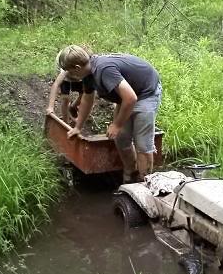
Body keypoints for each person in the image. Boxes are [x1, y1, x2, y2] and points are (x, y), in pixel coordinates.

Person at [57, 44, 162, 183]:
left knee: (142, 143)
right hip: (125, 97)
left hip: (145, 93)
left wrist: (117, 125)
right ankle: (130, 176)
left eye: (68, 71)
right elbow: (87, 99)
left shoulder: (104, 69)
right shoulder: (88, 74)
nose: (68, 75)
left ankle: (144, 183)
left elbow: (131, 99)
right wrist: (78, 127)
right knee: (121, 138)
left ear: (77, 68)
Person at [46, 51, 87, 123]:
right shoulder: (65, 70)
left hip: (78, 72)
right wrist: (50, 107)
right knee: (65, 99)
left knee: (84, 93)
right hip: (66, 76)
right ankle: (66, 122)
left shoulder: (86, 69)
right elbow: (56, 85)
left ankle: (73, 107)